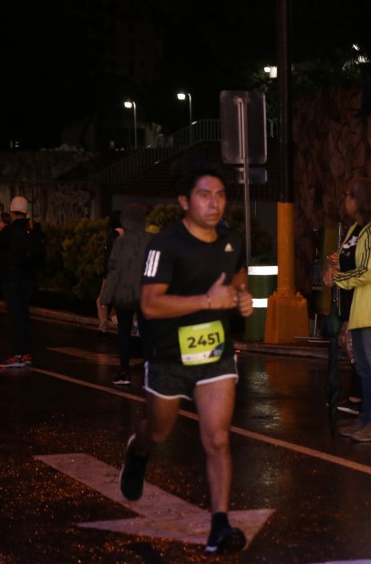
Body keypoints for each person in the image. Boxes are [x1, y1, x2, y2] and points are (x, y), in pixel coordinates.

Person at [119, 163, 253, 554]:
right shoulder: (164, 245)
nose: (214, 203)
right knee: (158, 432)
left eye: (220, 195)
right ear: (184, 201)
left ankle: (220, 526)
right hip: (168, 355)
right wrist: (207, 300)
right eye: (204, 195)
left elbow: (238, 279)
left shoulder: (232, 240)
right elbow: (150, 304)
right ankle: (137, 452)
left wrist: (242, 298)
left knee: (217, 437)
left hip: (214, 353)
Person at [324, 178, 371, 442]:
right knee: (365, 368)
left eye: (348, 195)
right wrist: (334, 268)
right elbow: (346, 260)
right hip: (359, 308)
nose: (345, 200)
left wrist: (338, 278)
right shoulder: (357, 228)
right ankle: (367, 419)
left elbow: (368, 271)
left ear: (361, 200)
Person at [99, 206, 151, 386]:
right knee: (147, 334)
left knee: (124, 334)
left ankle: (124, 372)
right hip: (146, 294)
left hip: (124, 293)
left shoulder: (120, 242)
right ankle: (148, 374)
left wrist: (105, 296)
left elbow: (114, 271)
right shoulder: (151, 240)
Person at [0, 195, 45, 369]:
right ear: (25, 211)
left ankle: (17, 354)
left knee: (16, 318)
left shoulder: (10, 230)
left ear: (12, 212)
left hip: (12, 279)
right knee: (24, 316)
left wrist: (0, 230)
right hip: (29, 280)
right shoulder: (34, 228)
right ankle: (25, 353)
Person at [96, 211, 123, 337]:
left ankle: (103, 327)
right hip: (125, 274)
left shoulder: (113, 236)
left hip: (111, 274)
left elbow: (109, 258)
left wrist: (106, 275)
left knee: (101, 300)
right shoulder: (128, 235)